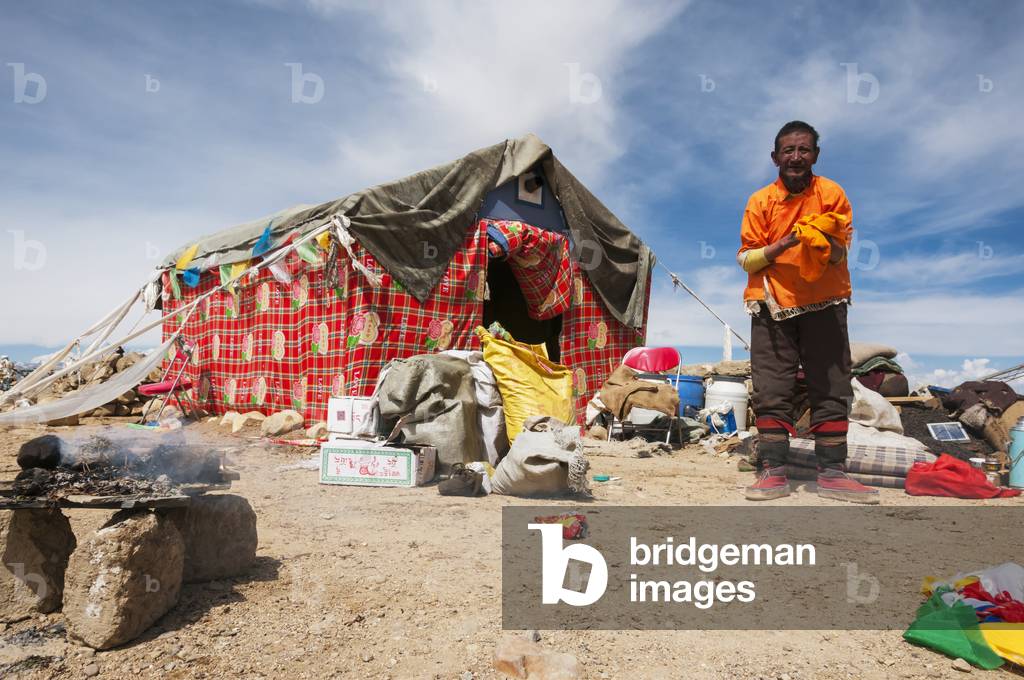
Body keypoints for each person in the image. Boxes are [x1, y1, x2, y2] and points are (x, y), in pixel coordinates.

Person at [737, 120, 878, 504]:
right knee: (771, 387)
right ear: (775, 157)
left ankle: (833, 473)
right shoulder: (760, 201)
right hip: (772, 304)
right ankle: (773, 471)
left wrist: (817, 237)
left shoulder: (832, 194)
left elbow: (839, 252)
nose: (795, 157)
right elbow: (747, 260)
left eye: (803, 150)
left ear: (815, 155)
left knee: (831, 385)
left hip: (826, 303)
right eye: (788, 150)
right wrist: (786, 242)